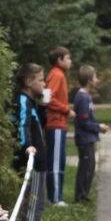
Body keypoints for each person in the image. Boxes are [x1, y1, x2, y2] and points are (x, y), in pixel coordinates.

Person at [11, 64, 49, 221]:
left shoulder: (30, 102)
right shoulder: (23, 101)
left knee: (38, 204)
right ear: (28, 82)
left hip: (39, 162)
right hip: (31, 162)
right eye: (41, 80)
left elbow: (37, 125)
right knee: (31, 206)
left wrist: (42, 107)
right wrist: (27, 147)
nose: (44, 84)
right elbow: (23, 125)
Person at [44, 47, 75, 207]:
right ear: (59, 60)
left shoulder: (58, 74)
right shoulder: (56, 74)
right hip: (56, 124)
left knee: (59, 160)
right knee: (56, 161)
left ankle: (56, 196)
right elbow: (48, 98)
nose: (70, 61)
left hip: (59, 124)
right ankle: (55, 198)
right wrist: (66, 110)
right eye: (68, 58)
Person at [73, 66, 109, 203]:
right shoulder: (82, 98)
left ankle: (84, 194)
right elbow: (84, 121)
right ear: (89, 80)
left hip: (89, 138)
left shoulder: (87, 96)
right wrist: (98, 127)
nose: (97, 80)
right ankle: (80, 196)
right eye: (95, 77)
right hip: (84, 138)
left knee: (90, 166)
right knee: (85, 167)